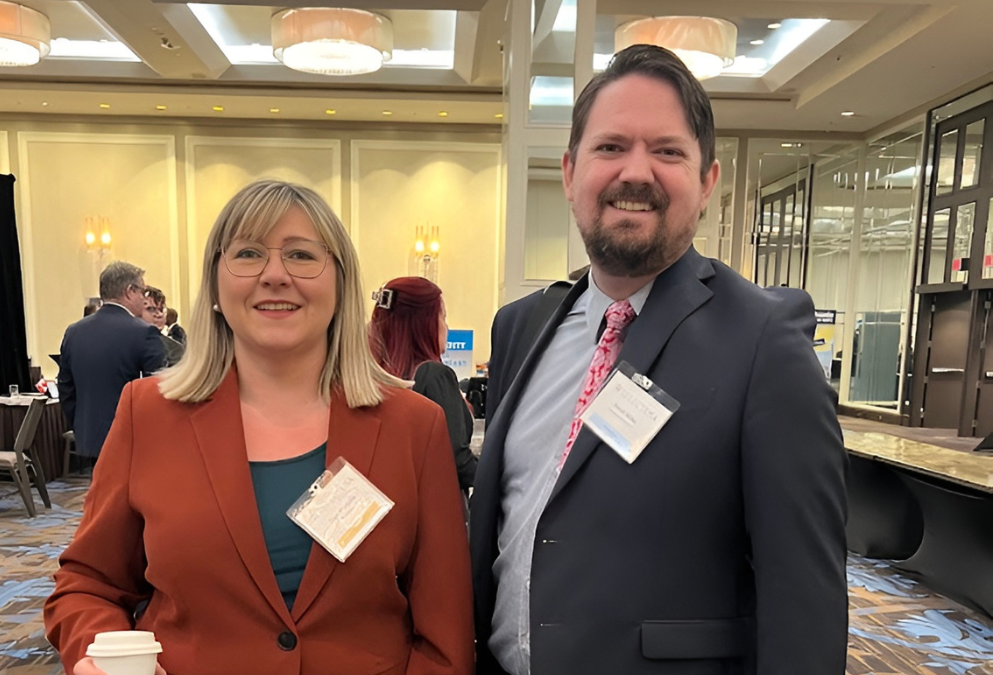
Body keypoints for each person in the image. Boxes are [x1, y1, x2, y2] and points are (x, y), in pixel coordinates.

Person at [471, 45, 847, 675]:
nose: (635, 172)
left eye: (668, 151)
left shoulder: (763, 342)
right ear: (570, 174)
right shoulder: (521, 326)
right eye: (610, 147)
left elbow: (803, 596)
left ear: (707, 183)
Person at [44, 181, 473, 675]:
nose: (275, 275)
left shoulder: (414, 426)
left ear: (340, 281)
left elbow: (445, 633)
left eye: (301, 255)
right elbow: (87, 585)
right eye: (248, 253)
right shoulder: (148, 414)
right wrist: (99, 654)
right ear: (216, 285)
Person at [368, 276, 477, 492]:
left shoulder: (372, 379)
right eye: (443, 317)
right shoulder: (434, 375)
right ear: (423, 324)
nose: (446, 326)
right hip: (434, 506)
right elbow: (456, 459)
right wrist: (500, 481)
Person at [56, 261, 165, 460]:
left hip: (89, 436)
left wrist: (81, 423)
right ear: (130, 291)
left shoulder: (74, 332)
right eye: (143, 291)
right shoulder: (143, 332)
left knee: (99, 489)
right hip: (131, 438)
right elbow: (158, 387)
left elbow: (65, 387)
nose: (144, 298)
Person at [140, 286, 184, 367]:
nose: (159, 315)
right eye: (150, 309)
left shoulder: (175, 350)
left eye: (161, 309)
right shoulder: (127, 345)